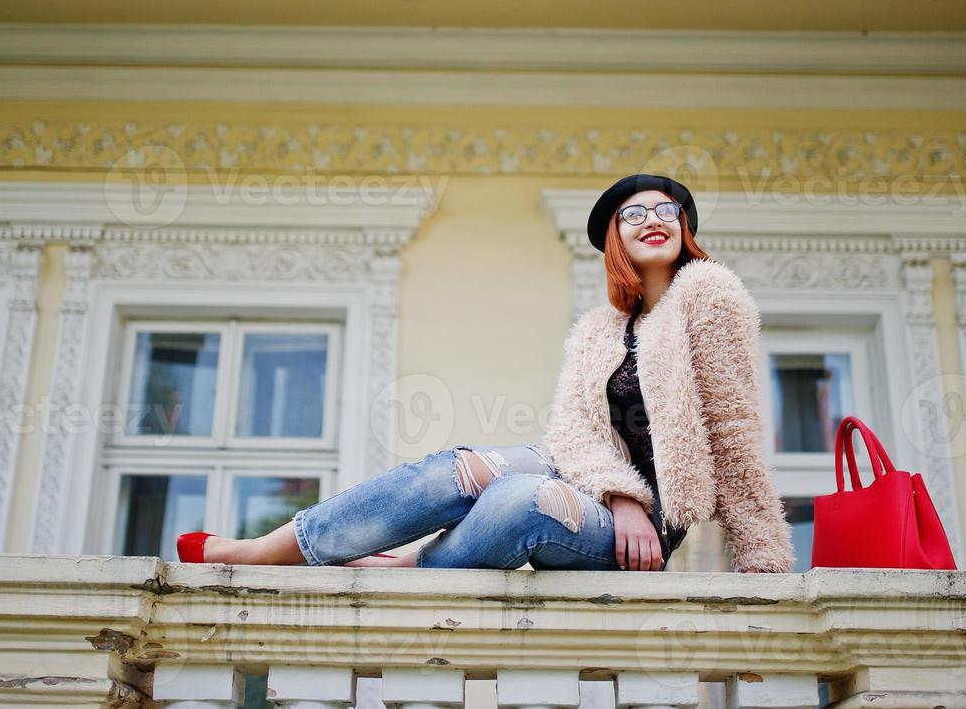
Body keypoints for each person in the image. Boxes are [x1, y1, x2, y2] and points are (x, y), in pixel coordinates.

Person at [175, 173, 794, 573]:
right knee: (460, 468)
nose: (652, 218)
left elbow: (736, 441)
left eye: (668, 209)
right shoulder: (599, 332)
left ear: (686, 228)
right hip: (594, 486)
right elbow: (573, 436)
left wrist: (761, 564)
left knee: (518, 498)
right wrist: (619, 491)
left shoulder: (709, 297)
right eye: (633, 214)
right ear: (614, 240)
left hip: (643, 534)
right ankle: (271, 550)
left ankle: (411, 569)